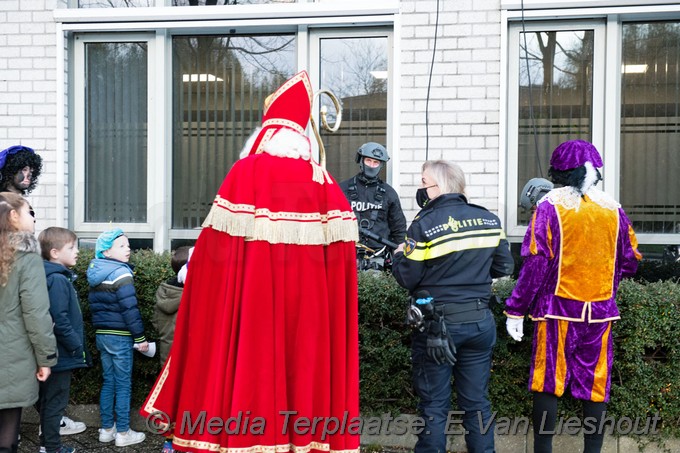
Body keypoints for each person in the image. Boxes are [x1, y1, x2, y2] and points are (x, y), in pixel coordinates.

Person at [140, 70, 360, 453]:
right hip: (310, 319)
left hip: (249, 311)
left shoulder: (246, 174)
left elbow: (211, 258)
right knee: (303, 379)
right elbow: (342, 272)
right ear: (302, 138)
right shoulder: (325, 184)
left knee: (246, 375)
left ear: (266, 134)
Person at [504, 140, 642, 453]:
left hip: (557, 311)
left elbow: (536, 263)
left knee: (548, 381)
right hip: (601, 312)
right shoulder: (613, 209)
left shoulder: (549, 206)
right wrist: (606, 277)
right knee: (595, 385)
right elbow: (630, 259)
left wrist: (515, 309)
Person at [391, 160, 514, 453]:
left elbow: (408, 278)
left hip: (438, 327)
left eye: (423, 182)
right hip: (479, 322)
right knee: (477, 401)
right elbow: (505, 265)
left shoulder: (424, 224)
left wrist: (398, 256)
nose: (420, 189)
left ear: (438, 186)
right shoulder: (488, 220)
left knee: (434, 404)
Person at [0, 192, 56, 453]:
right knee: (7, 435)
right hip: (11, 355)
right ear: (13, 216)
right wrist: (45, 358)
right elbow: (36, 312)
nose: (34, 218)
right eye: (29, 212)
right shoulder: (26, 256)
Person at [87, 228, 149, 447]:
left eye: (128, 245)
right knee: (123, 385)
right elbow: (130, 309)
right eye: (121, 246)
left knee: (109, 382)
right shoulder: (121, 272)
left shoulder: (96, 272)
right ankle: (123, 433)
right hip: (121, 336)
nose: (128, 249)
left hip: (102, 335)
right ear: (106, 252)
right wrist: (140, 338)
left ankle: (106, 429)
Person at [36, 227, 89, 453]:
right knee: (55, 403)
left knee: (47, 401)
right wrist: (77, 346)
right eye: (72, 247)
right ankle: (52, 448)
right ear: (55, 253)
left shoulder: (47, 275)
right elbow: (60, 319)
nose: (77, 252)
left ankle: (47, 446)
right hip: (60, 353)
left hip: (52, 352)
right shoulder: (57, 279)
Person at [339, 142, 406, 253]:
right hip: (347, 252)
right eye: (368, 161)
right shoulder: (343, 189)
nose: (371, 165)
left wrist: (399, 256)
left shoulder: (389, 193)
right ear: (361, 161)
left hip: (378, 255)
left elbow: (399, 229)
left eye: (376, 162)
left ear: (381, 165)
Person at [153, 246, 191, 365]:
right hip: (188, 354)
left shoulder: (164, 291)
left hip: (167, 352)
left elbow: (155, 322)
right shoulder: (193, 295)